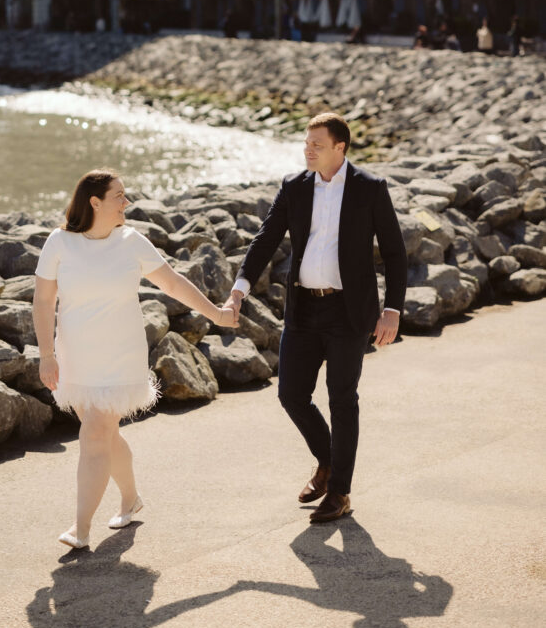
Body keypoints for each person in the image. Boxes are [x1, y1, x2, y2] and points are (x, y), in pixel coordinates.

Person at [33, 169, 238, 550]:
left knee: (94, 433)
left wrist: (217, 314)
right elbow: (43, 302)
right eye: (119, 196)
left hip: (120, 352)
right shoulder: (59, 243)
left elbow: (174, 283)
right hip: (76, 354)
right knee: (104, 433)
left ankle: (80, 529)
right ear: (94, 202)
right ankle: (130, 498)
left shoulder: (132, 242)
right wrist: (47, 355)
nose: (127, 202)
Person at [223, 112, 407, 523]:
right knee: (291, 394)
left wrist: (392, 308)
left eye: (317, 144)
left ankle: (339, 491)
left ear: (340, 148)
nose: (308, 149)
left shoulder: (370, 189)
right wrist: (239, 289)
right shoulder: (294, 186)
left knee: (343, 399)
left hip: (349, 312)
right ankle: (328, 463)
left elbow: (394, 252)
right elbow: (266, 238)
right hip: (304, 308)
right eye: (306, 143)